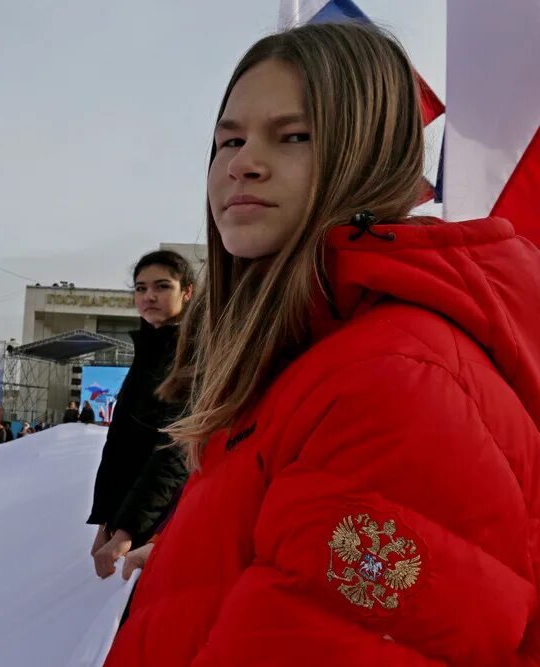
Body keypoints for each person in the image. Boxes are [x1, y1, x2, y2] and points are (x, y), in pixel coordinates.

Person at [104, 22, 540, 667]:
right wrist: (193, 557)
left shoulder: (389, 380)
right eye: (230, 138)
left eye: (294, 136)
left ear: (365, 155)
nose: (241, 162)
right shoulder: (304, 353)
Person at [87, 249, 193, 584]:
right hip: (132, 523)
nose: (149, 296)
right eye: (140, 288)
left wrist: (128, 529)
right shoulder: (151, 347)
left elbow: (175, 448)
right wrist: (106, 520)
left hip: (166, 523)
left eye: (162, 287)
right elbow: (122, 444)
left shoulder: (192, 352)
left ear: (186, 292)